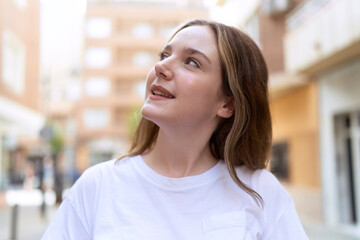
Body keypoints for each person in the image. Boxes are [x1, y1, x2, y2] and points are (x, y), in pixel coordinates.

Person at [42, 19, 309, 239]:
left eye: (192, 62)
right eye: (165, 55)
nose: (160, 67)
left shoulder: (261, 191)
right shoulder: (97, 186)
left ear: (227, 103)